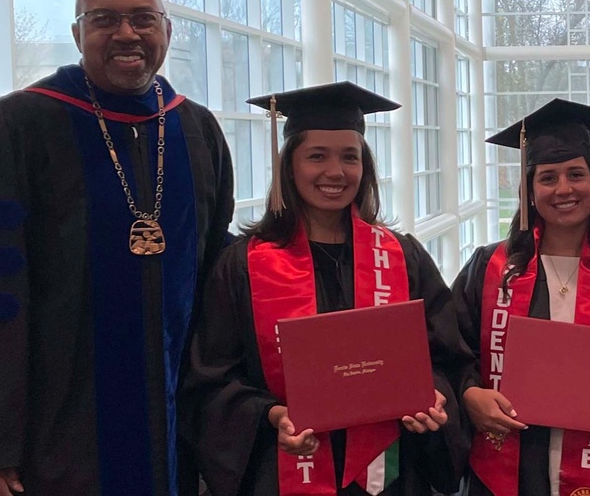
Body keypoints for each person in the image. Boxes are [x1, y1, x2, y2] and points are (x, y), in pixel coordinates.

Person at [0, 0, 234, 496]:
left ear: (166, 30)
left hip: (180, 428)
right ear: (77, 33)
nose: (127, 34)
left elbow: (217, 278)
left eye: (143, 19)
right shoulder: (14, 127)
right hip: (58, 435)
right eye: (105, 20)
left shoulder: (196, 128)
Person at [183, 82, 474, 495]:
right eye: (316, 156)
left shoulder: (400, 256)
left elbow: (448, 358)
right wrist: (271, 415)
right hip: (283, 470)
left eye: (349, 157)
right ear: (290, 167)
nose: (335, 172)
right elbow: (210, 380)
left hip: (390, 473)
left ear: (364, 168)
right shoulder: (243, 266)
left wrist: (434, 396)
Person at [453, 99, 590, 495]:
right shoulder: (490, 269)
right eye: (548, 177)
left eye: (576, 174)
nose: (564, 189)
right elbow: (449, 350)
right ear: (530, 190)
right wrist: (470, 393)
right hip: (509, 470)